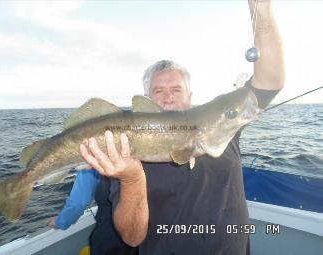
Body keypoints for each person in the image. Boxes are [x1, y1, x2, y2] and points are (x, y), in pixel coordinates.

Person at [78, 0, 285, 254]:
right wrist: (131, 177)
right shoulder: (125, 147)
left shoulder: (225, 124)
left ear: (190, 95)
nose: (168, 97)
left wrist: (261, 8)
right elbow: (132, 237)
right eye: (158, 91)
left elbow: (270, 80)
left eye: (176, 89)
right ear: (146, 100)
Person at [47, 169, 138, 255]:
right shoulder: (139, 163)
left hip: (109, 237)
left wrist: (60, 222)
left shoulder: (91, 164)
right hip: (142, 235)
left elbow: (78, 203)